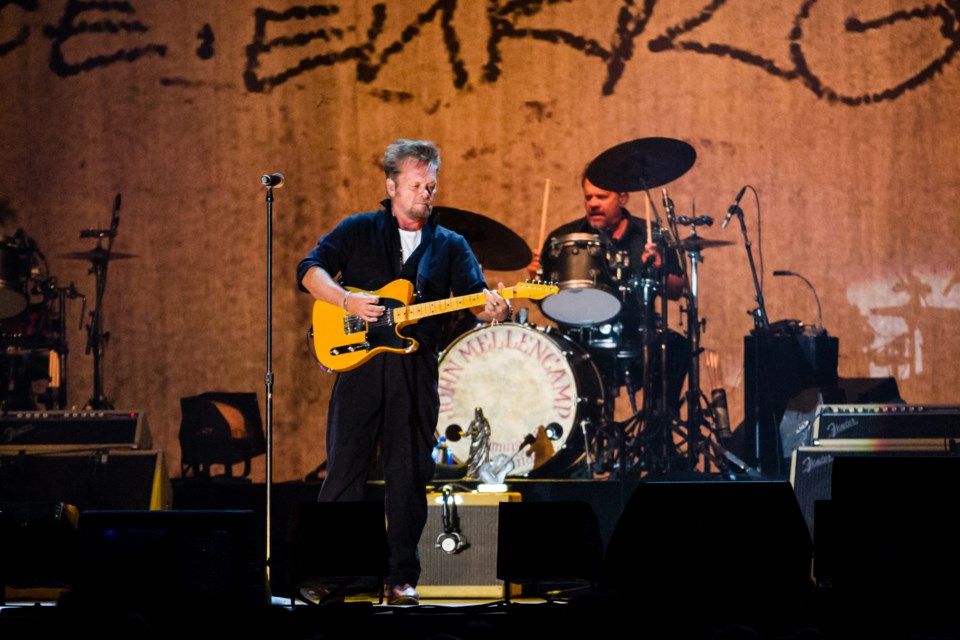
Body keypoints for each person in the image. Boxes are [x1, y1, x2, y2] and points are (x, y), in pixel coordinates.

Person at [297, 139, 511, 606]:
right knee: (345, 471)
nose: (426, 194)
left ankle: (401, 578)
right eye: (416, 185)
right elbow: (309, 270)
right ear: (392, 186)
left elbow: (476, 302)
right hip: (359, 369)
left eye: (431, 185)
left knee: (409, 476)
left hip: (415, 372)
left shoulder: (450, 244)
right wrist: (345, 300)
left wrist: (494, 309)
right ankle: (333, 574)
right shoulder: (358, 230)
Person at [529, 175, 691, 425]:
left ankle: (657, 436)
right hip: (582, 340)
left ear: (622, 198)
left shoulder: (649, 234)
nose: (593, 203)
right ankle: (581, 447)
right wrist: (534, 280)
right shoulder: (565, 237)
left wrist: (659, 268)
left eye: (602, 197)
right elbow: (545, 301)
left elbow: (677, 290)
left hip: (637, 337)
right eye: (588, 197)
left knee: (676, 347)